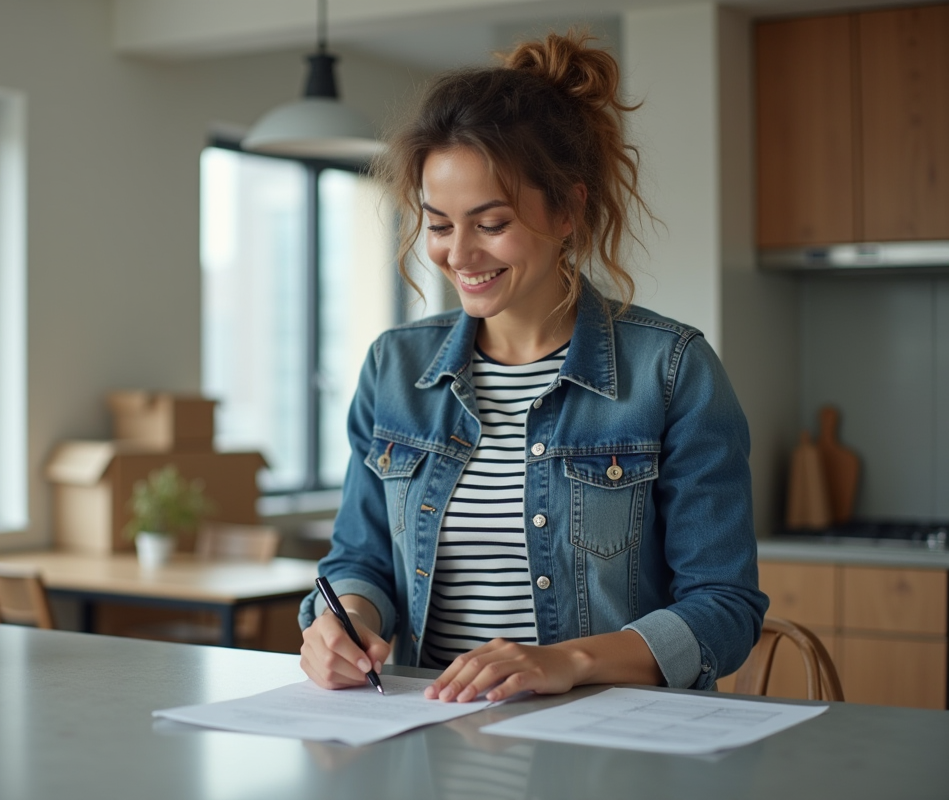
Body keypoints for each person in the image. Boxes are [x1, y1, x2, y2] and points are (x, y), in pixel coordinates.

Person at [297, 30, 767, 704]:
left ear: (569, 209)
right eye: (437, 223)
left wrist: (567, 661)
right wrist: (348, 621)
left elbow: (724, 610)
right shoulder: (394, 368)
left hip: (610, 752)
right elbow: (361, 560)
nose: (459, 254)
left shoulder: (671, 370)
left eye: (490, 223)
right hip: (431, 737)